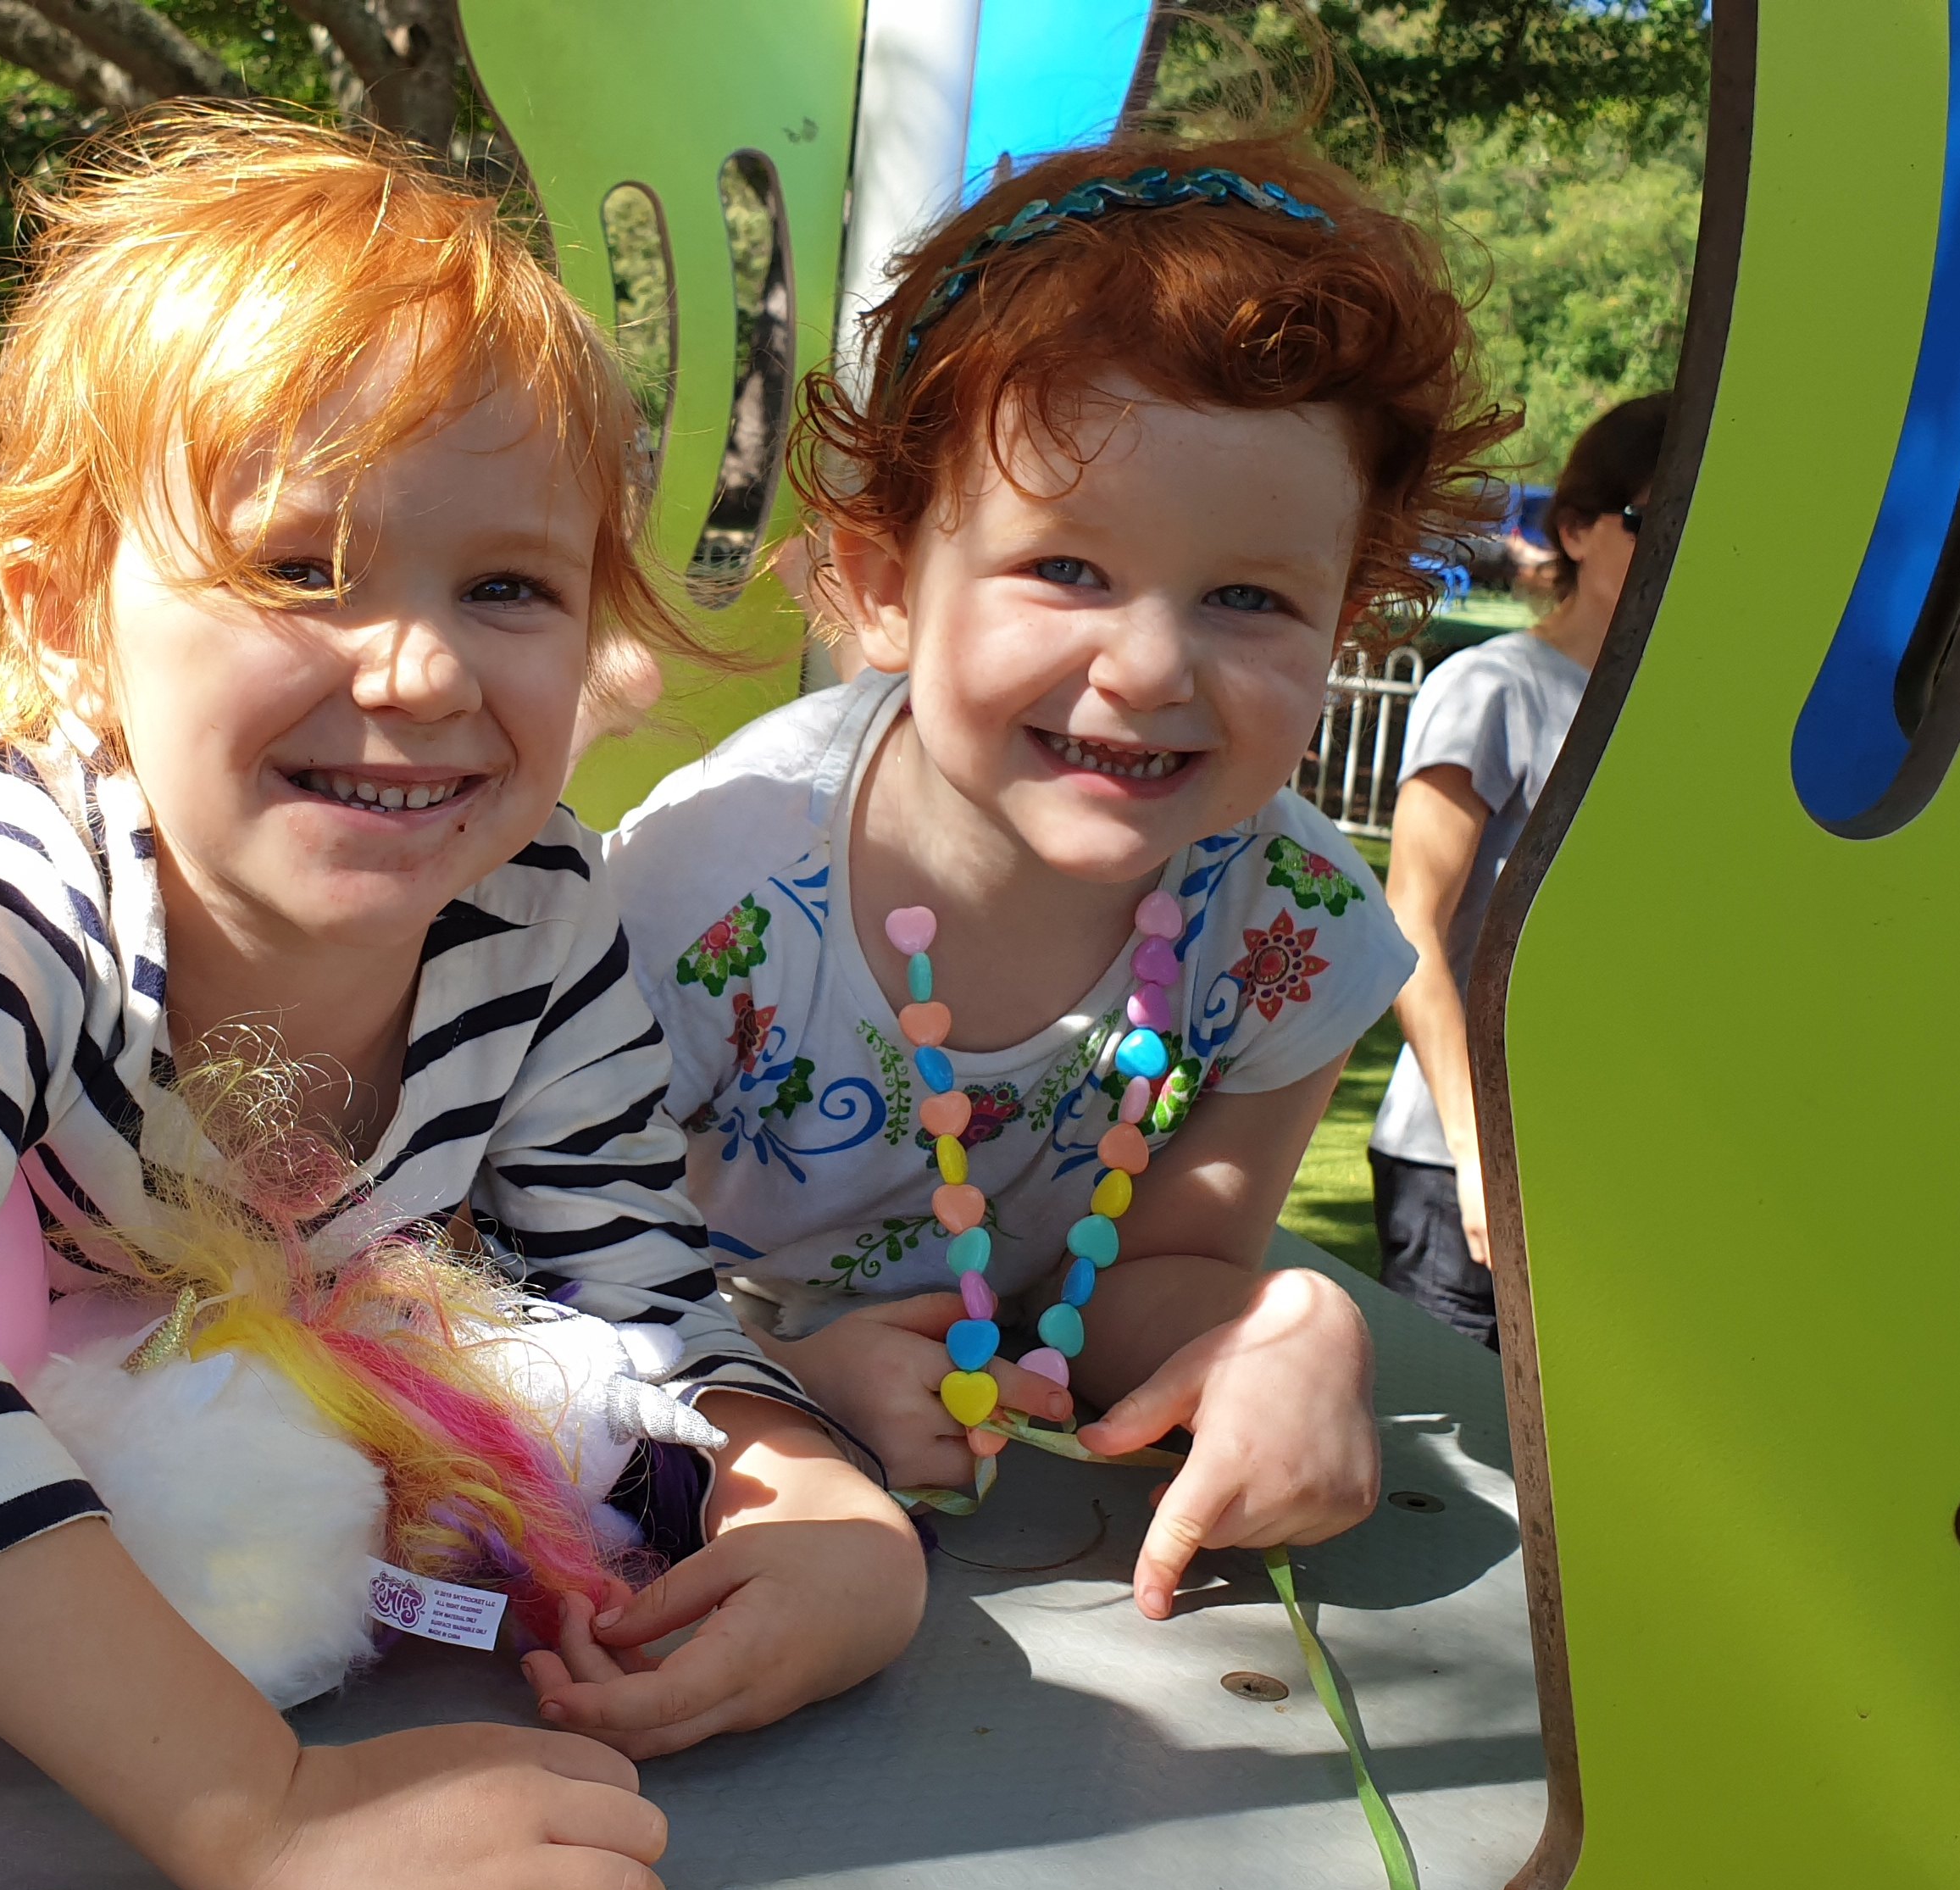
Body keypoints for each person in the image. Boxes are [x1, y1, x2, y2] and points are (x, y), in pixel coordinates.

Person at [0, 107, 915, 1890]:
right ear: (71, 620)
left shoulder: (536, 907)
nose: (423, 669)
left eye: (508, 586)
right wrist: (262, 1808)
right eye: (300, 566)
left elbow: (641, 1290)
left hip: (86, 1090)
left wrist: (815, 1503)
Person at [605, 130, 1508, 1625]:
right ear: (883, 582)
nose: (1150, 665)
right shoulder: (700, 897)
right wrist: (774, 1383)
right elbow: (512, 1269)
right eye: (1066, 569)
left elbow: (1158, 1269)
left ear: (1342, 625)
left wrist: (1277, 1334)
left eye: (1249, 596)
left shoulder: (1288, 931)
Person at [1368, 392, 1671, 1346]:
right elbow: (1408, 929)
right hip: (1457, 1167)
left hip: (1606, 1175)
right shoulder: (1494, 688)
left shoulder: (1681, 723)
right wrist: (1476, 1158)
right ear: (1575, 530)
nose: (1681, 545)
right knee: (1449, 1437)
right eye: (1654, 516)